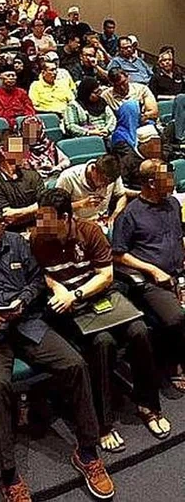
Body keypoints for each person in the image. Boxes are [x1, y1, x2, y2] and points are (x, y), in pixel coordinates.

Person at [0, 209, 115, 502]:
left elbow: (37, 280)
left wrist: (22, 300)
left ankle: (87, 451)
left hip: (26, 323)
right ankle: (7, 472)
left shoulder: (17, 243)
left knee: (75, 364)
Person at [32, 189, 167, 451]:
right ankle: (104, 424)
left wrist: (77, 293)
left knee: (139, 330)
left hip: (98, 293)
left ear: (66, 218)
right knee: (102, 342)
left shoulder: (89, 231)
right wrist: (57, 287)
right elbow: (37, 273)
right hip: (71, 306)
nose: (40, 224)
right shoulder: (37, 238)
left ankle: (147, 405)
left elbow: (105, 275)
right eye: (38, 217)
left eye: (46, 218)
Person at [111, 159, 185, 393]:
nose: (173, 182)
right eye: (167, 177)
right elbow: (118, 255)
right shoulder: (130, 215)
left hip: (179, 271)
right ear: (151, 183)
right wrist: (152, 269)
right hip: (152, 280)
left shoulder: (172, 203)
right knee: (176, 318)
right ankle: (175, 366)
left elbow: (178, 236)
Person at [0, 129, 44, 233]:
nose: (25, 151)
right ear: (3, 151)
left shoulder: (33, 175)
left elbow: (47, 206)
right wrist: (35, 209)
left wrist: (21, 212)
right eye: (19, 146)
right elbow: (8, 219)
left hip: (39, 230)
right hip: (11, 236)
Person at [55, 154, 128, 226]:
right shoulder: (68, 177)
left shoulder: (113, 176)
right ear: (93, 169)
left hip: (103, 222)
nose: (105, 188)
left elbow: (122, 196)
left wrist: (114, 216)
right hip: (77, 224)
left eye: (108, 184)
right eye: (103, 181)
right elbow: (56, 207)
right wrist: (81, 204)